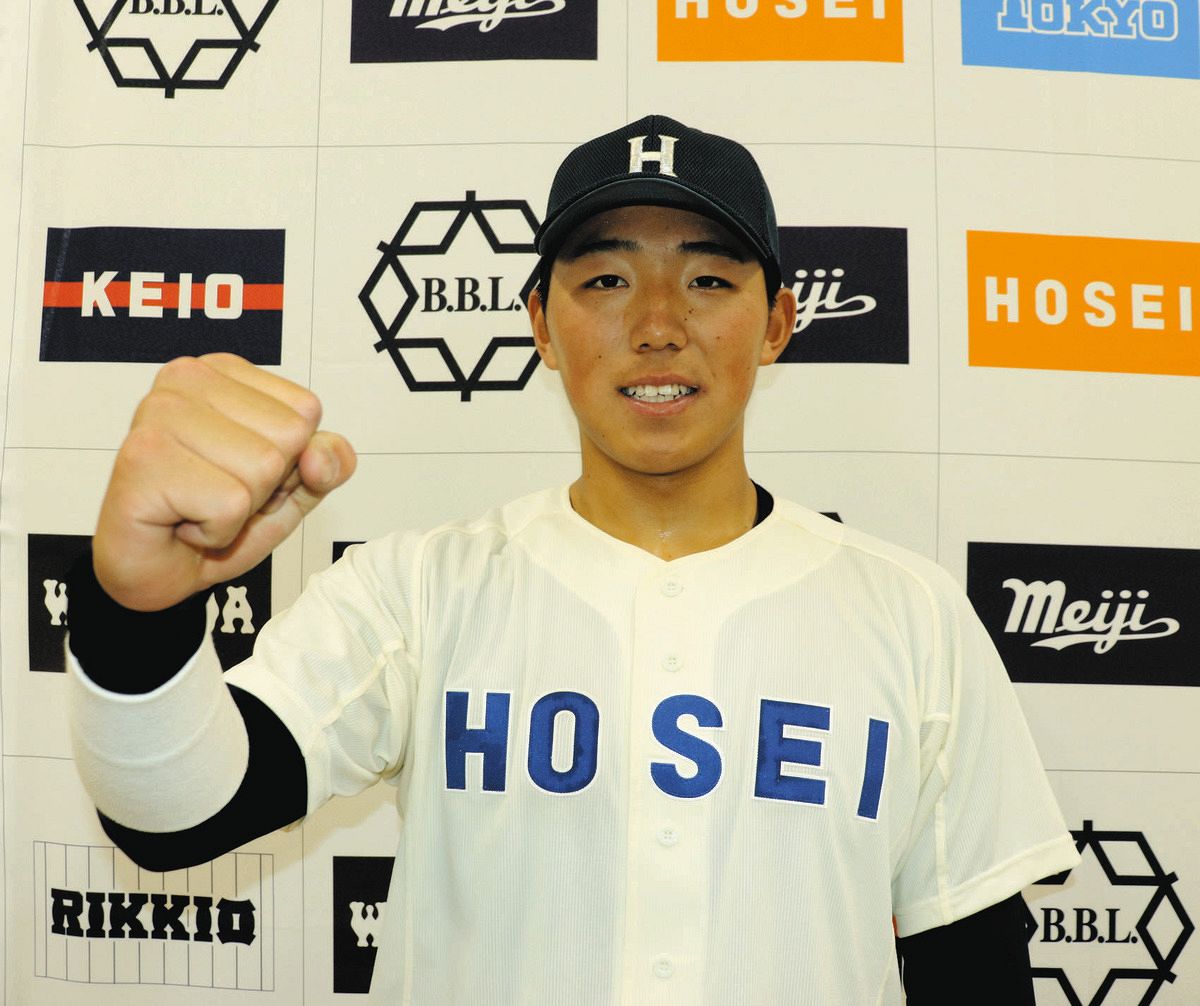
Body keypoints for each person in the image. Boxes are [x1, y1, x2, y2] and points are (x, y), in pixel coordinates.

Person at [67, 115, 1078, 1004]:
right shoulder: (420, 590)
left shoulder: (911, 613)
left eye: (709, 278)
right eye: (604, 279)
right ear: (542, 324)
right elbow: (175, 815)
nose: (657, 325)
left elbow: (973, 969)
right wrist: (136, 609)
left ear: (777, 323)